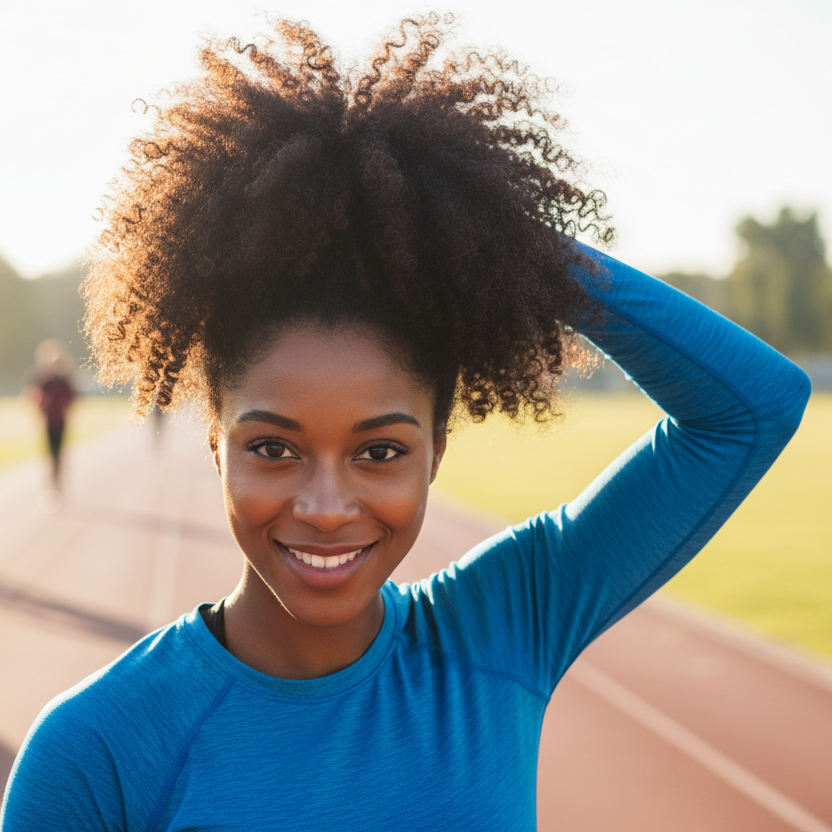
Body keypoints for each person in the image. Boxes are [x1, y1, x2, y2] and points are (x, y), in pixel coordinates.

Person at [1, 15, 810, 830]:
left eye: (380, 451)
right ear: (216, 445)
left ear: (437, 451)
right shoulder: (94, 753)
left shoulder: (507, 625)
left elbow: (752, 407)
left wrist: (502, 237)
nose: (325, 508)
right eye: (274, 447)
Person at [24, 338, 77, 494]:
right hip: (47, 421)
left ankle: (58, 483)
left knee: (58, 453)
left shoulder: (64, 380)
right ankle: (52, 484)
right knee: (49, 453)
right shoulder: (42, 380)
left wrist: (66, 408)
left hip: (60, 421)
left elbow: (72, 397)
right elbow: (33, 396)